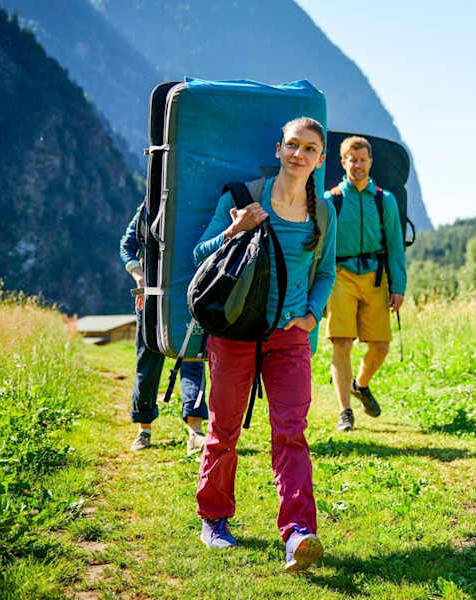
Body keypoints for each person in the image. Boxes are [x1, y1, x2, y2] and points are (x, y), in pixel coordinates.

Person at [192, 117, 336, 572]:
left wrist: (311, 314)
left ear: (320, 159)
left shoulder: (323, 212)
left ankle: (298, 533)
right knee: (224, 429)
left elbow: (326, 271)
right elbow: (199, 254)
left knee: (291, 432)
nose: (298, 154)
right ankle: (214, 518)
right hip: (235, 331)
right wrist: (234, 230)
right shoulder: (243, 197)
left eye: (309, 149)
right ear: (278, 149)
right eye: (292, 145)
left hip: (289, 338)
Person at [324, 136, 407, 432]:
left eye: (362, 160)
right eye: (352, 160)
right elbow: (320, 246)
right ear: (343, 163)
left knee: (381, 346)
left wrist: (398, 286)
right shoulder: (331, 199)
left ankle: (360, 385)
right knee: (342, 343)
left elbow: (395, 245)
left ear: (370, 162)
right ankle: (345, 411)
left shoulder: (385, 200)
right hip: (340, 276)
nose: (357, 165)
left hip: (375, 277)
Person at [120, 203, 209, 455]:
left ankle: (195, 432)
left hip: (188, 296)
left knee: (192, 359)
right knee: (147, 360)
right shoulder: (148, 208)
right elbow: (127, 246)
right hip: (151, 297)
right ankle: (144, 429)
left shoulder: (194, 201)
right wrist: (139, 275)